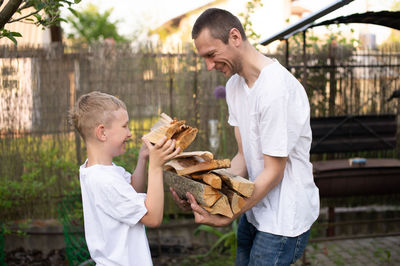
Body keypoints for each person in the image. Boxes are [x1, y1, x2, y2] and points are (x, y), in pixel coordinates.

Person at [171, 8, 320, 265]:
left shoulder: (275, 89)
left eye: (211, 54)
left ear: (235, 37)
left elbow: (274, 171)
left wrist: (231, 211)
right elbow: (243, 158)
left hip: (283, 219)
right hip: (254, 211)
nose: (208, 66)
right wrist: (206, 194)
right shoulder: (235, 86)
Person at [69, 91, 180, 266]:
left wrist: (143, 159)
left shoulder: (98, 170)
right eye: (124, 126)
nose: (129, 133)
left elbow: (132, 191)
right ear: (102, 133)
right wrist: (156, 166)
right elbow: (152, 217)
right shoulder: (105, 181)